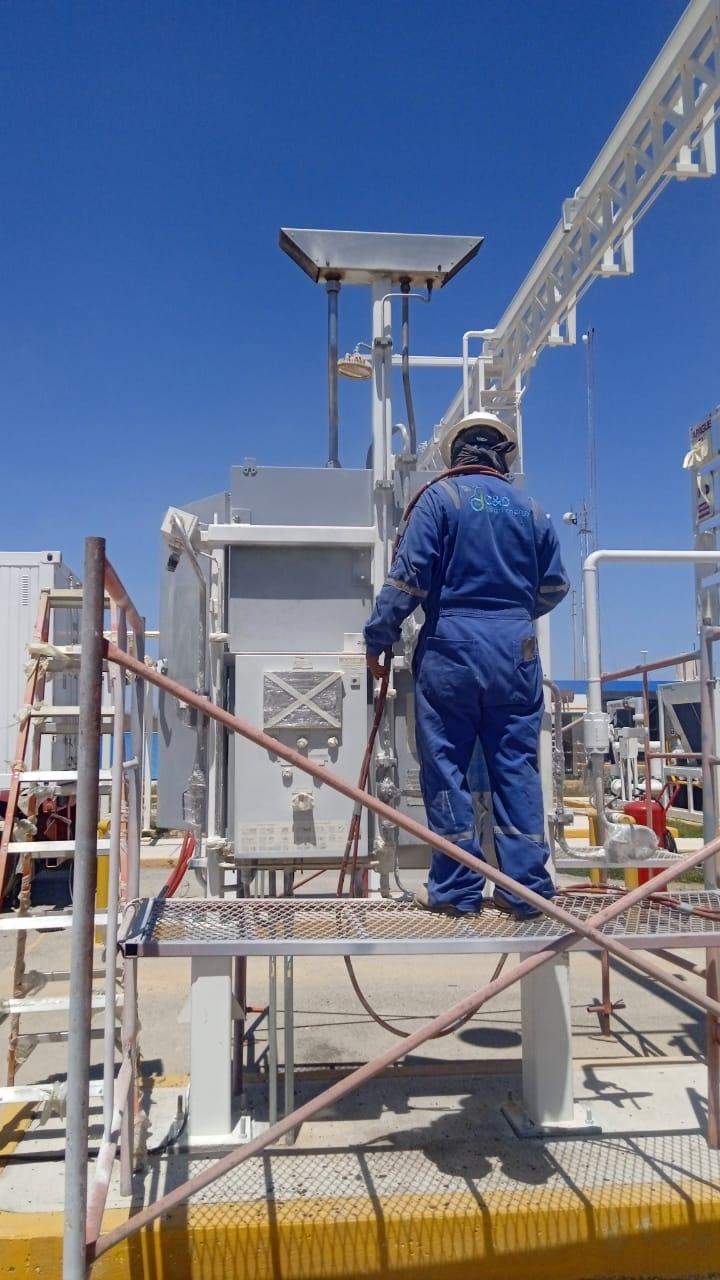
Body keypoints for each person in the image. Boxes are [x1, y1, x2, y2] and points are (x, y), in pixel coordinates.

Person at [363, 410, 569, 920]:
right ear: (504, 454)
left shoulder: (440, 499)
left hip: (451, 648)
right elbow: (555, 585)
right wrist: (511, 616)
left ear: (456, 452)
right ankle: (526, 890)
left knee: (447, 765)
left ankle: (457, 890)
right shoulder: (533, 510)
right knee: (516, 765)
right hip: (516, 651)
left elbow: (408, 578)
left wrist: (378, 636)